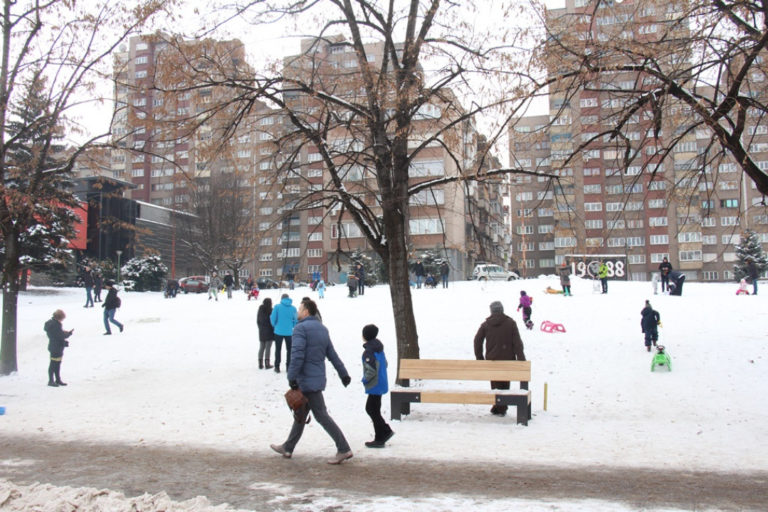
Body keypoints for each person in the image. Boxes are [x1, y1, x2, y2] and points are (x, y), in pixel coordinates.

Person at [270, 299, 353, 464]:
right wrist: (343, 374)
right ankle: (288, 447)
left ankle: (344, 448)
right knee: (301, 415)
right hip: (316, 379)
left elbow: (297, 355)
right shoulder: (322, 329)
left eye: (300, 309)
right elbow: (332, 354)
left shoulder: (300, 329)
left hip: (307, 381)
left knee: (321, 415)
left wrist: (291, 377)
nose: (297, 312)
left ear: (306, 311)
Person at [473, 301, 526, 416]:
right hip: (508, 360)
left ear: (491, 311)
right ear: (502, 310)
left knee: (495, 384)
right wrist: (521, 360)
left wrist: (480, 358)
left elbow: (477, 340)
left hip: (492, 360)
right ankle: (500, 407)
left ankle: (499, 406)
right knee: (505, 384)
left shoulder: (486, 324)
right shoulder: (510, 323)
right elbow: (517, 343)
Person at [360, 324, 394, 448]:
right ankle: (384, 432)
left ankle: (382, 435)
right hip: (381, 383)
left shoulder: (368, 352)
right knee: (374, 409)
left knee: (371, 409)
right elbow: (385, 363)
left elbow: (371, 370)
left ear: (365, 336)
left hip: (374, 385)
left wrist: (365, 379)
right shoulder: (379, 348)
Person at [44, 309, 73, 387]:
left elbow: (57, 334)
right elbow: (60, 336)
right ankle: (51, 380)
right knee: (54, 364)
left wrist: (63, 333)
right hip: (56, 347)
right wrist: (68, 334)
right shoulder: (56, 325)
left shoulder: (51, 324)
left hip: (54, 346)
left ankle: (57, 379)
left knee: (56, 363)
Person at [270, 293, 298, 373]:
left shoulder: (277, 307)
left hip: (278, 331)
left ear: (281, 299)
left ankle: (277, 366)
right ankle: (288, 366)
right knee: (289, 350)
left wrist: (274, 325)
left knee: (278, 349)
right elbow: (296, 319)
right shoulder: (293, 308)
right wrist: (292, 326)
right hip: (289, 332)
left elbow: (273, 318)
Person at [257, 298, 274, 369]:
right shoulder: (271, 310)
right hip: (269, 331)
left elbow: (258, 321)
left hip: (261, 331)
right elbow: (272, 321)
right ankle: (267, 363)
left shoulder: (260, 310)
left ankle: (260, 363)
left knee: (261, 347)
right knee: (268, 348)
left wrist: (260, 328)